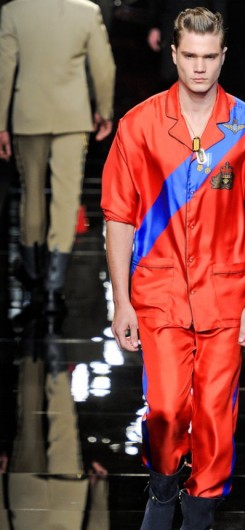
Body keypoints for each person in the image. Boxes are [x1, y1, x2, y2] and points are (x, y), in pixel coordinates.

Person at [101, 7, 245, 530]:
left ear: (223, 57)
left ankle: (198, 525)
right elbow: (118, 216)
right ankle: (161, 490)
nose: (200, 68)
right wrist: (122, 301)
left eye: (210, 57)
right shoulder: (139, 126)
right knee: (166, 409)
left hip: (227, 294)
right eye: (191, 56)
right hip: (159, 292)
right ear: (174, 55)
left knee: (214, 417)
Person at [0, 0, 116, 314]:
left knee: (32, 193)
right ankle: (54, 286)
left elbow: (4, 70)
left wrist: (1, 123)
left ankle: (33, 272)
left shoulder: (14, 11)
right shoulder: (86, 11)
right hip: (72, 115)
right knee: (66, 197)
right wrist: (104, 110)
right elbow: (103, 67)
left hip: (28, 114)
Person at [147, 0, 226, 90]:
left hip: (201, 27)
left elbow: (219, 7)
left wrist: (218, 33)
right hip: (171, 24)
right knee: (169, 74)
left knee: (198, 74)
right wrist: (154, 25)